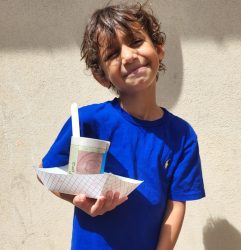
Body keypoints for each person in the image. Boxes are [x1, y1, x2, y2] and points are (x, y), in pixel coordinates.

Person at [39, 3, 205, 250]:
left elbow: (176, 203)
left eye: (136, 42)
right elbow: (47, 171)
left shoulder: (182, 136)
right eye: (113, 54)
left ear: (159, 49)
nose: (128, 56)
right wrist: (78, 199)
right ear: (102, 76)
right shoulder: (87, 121)